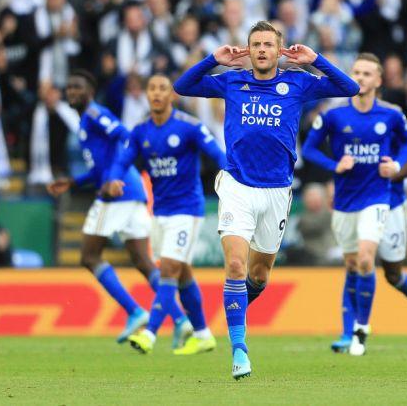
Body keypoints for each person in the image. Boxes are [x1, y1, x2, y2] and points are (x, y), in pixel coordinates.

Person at [174, 21, 359, 379]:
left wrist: (314, 59)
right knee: (236, 268)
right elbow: (183, 86)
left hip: (277, 191)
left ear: (279, 50)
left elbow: (349, 87)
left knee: (259, 275)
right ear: (248, 49)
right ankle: (239, 350)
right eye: (255, 44)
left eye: (268, 45)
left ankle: (234, 311)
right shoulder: (232, 80)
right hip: (237, 186)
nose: (261, 50)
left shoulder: (298, 82)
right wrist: (214, 59)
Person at [47, 70, 192, 346]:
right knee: (142, 261)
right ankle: (181, 319)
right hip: (133, 191)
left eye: (77, 86)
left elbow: (126, 138)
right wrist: (73, 182)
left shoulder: (94, 114)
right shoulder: (83, 124)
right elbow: (99, 168)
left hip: (118, 194)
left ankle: (135, 310)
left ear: (90, 91)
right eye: (68, 87)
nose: (71, 91)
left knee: (89, 256)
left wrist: (113, 177)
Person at [302, 53, 407, 356]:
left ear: (379, 80)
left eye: (367, 73)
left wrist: (396, 165)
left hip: (381, 198)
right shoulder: (334, 114)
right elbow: (308, 148)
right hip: (345, 201)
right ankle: (348, 333)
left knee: (372, 262)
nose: (360, 78)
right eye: (356, 72)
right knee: (353, 265)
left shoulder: (392, 114)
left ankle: (362, 329)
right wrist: (335, 165)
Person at [103, 74, 226, 355]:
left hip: (188, 210)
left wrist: (231, 176)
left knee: (168, 269)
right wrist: (112, 179)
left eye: (163, 89)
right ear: (146, 95)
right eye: (152, 89)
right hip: (160, 213)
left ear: (173, 95)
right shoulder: (141, 132)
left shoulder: (189, 127)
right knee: (182, 274)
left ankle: (150, 334)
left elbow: (218, 155)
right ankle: (203, 334)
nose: (157, 94)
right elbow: (121, 160)